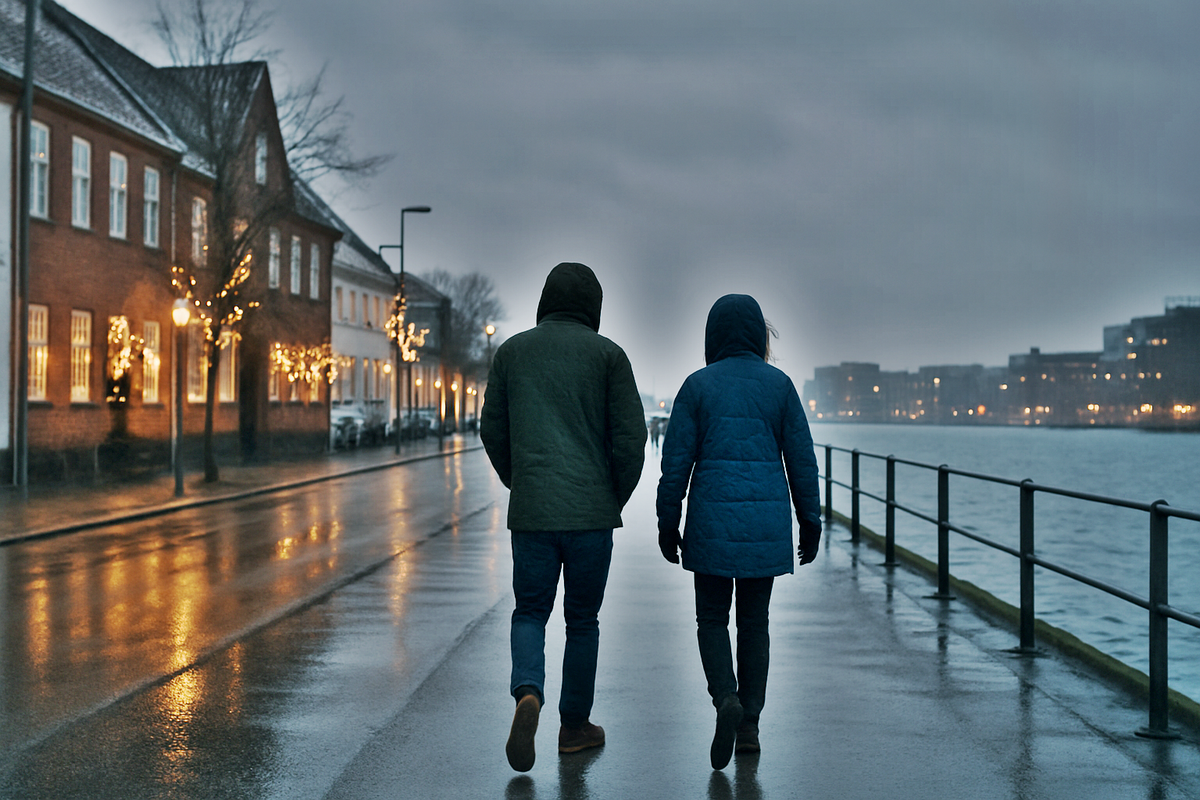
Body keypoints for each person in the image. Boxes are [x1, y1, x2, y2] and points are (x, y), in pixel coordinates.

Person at [481, 262, 647, 773]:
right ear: (593, 307)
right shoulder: (609, 357)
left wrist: (521, 482)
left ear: (545, 300)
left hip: (532, 514)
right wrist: (610, 498)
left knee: (530, 611)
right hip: (590, 516)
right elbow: (631, 441)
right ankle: (574, 727)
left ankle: (528, 692)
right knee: (583, 620)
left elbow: (491, 429)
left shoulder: (511, 353)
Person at [655, 293, 821, 770]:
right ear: (757, 335)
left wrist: (669, 522)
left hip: (710, 524)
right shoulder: (781, 387)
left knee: (711, 620)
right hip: (764, 527)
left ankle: (725, 698)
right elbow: (802, 462)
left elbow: (675, 464)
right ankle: (749, 724)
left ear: (713, 335)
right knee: (754, 623)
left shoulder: (697, 387)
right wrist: (809, 521)